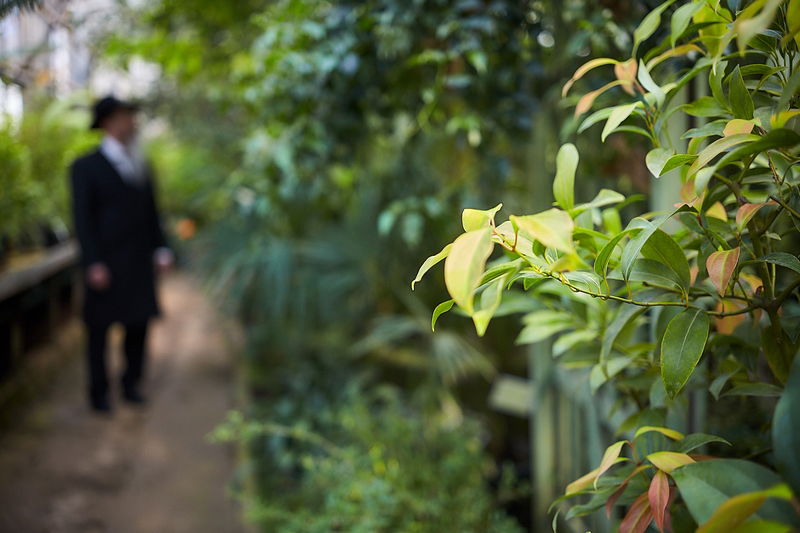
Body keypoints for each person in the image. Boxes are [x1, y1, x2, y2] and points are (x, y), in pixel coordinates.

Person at [69, 96, 173, 413]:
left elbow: (152, 212)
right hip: (107, 263)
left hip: (138, 260)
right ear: (108, 123)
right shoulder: (85, 167)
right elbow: (82, 220)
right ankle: (99, 394)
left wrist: (161, 247)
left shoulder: (141, 163)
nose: (132, 123)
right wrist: (93, 262)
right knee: (99, 331)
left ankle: (131, 384)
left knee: (138, 325)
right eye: (125, 117)